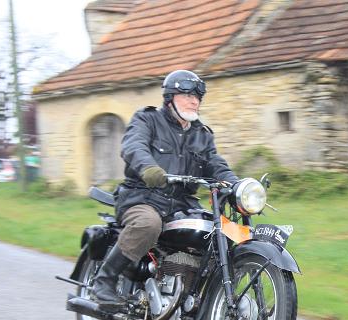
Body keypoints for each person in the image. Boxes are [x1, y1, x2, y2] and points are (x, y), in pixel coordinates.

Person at [92, 69, 238, 305]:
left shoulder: (202, 135)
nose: (194, 101)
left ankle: (193, 295)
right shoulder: (147, 119)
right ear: (170, 97)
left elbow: (216, 164)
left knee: (213, 232)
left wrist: (236, 185)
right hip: (142, 198)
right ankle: (104, 281)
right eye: (187, 95)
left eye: (197, 97)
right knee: (148, 224)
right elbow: (133, 146)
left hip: (182, 204)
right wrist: (148, 168)